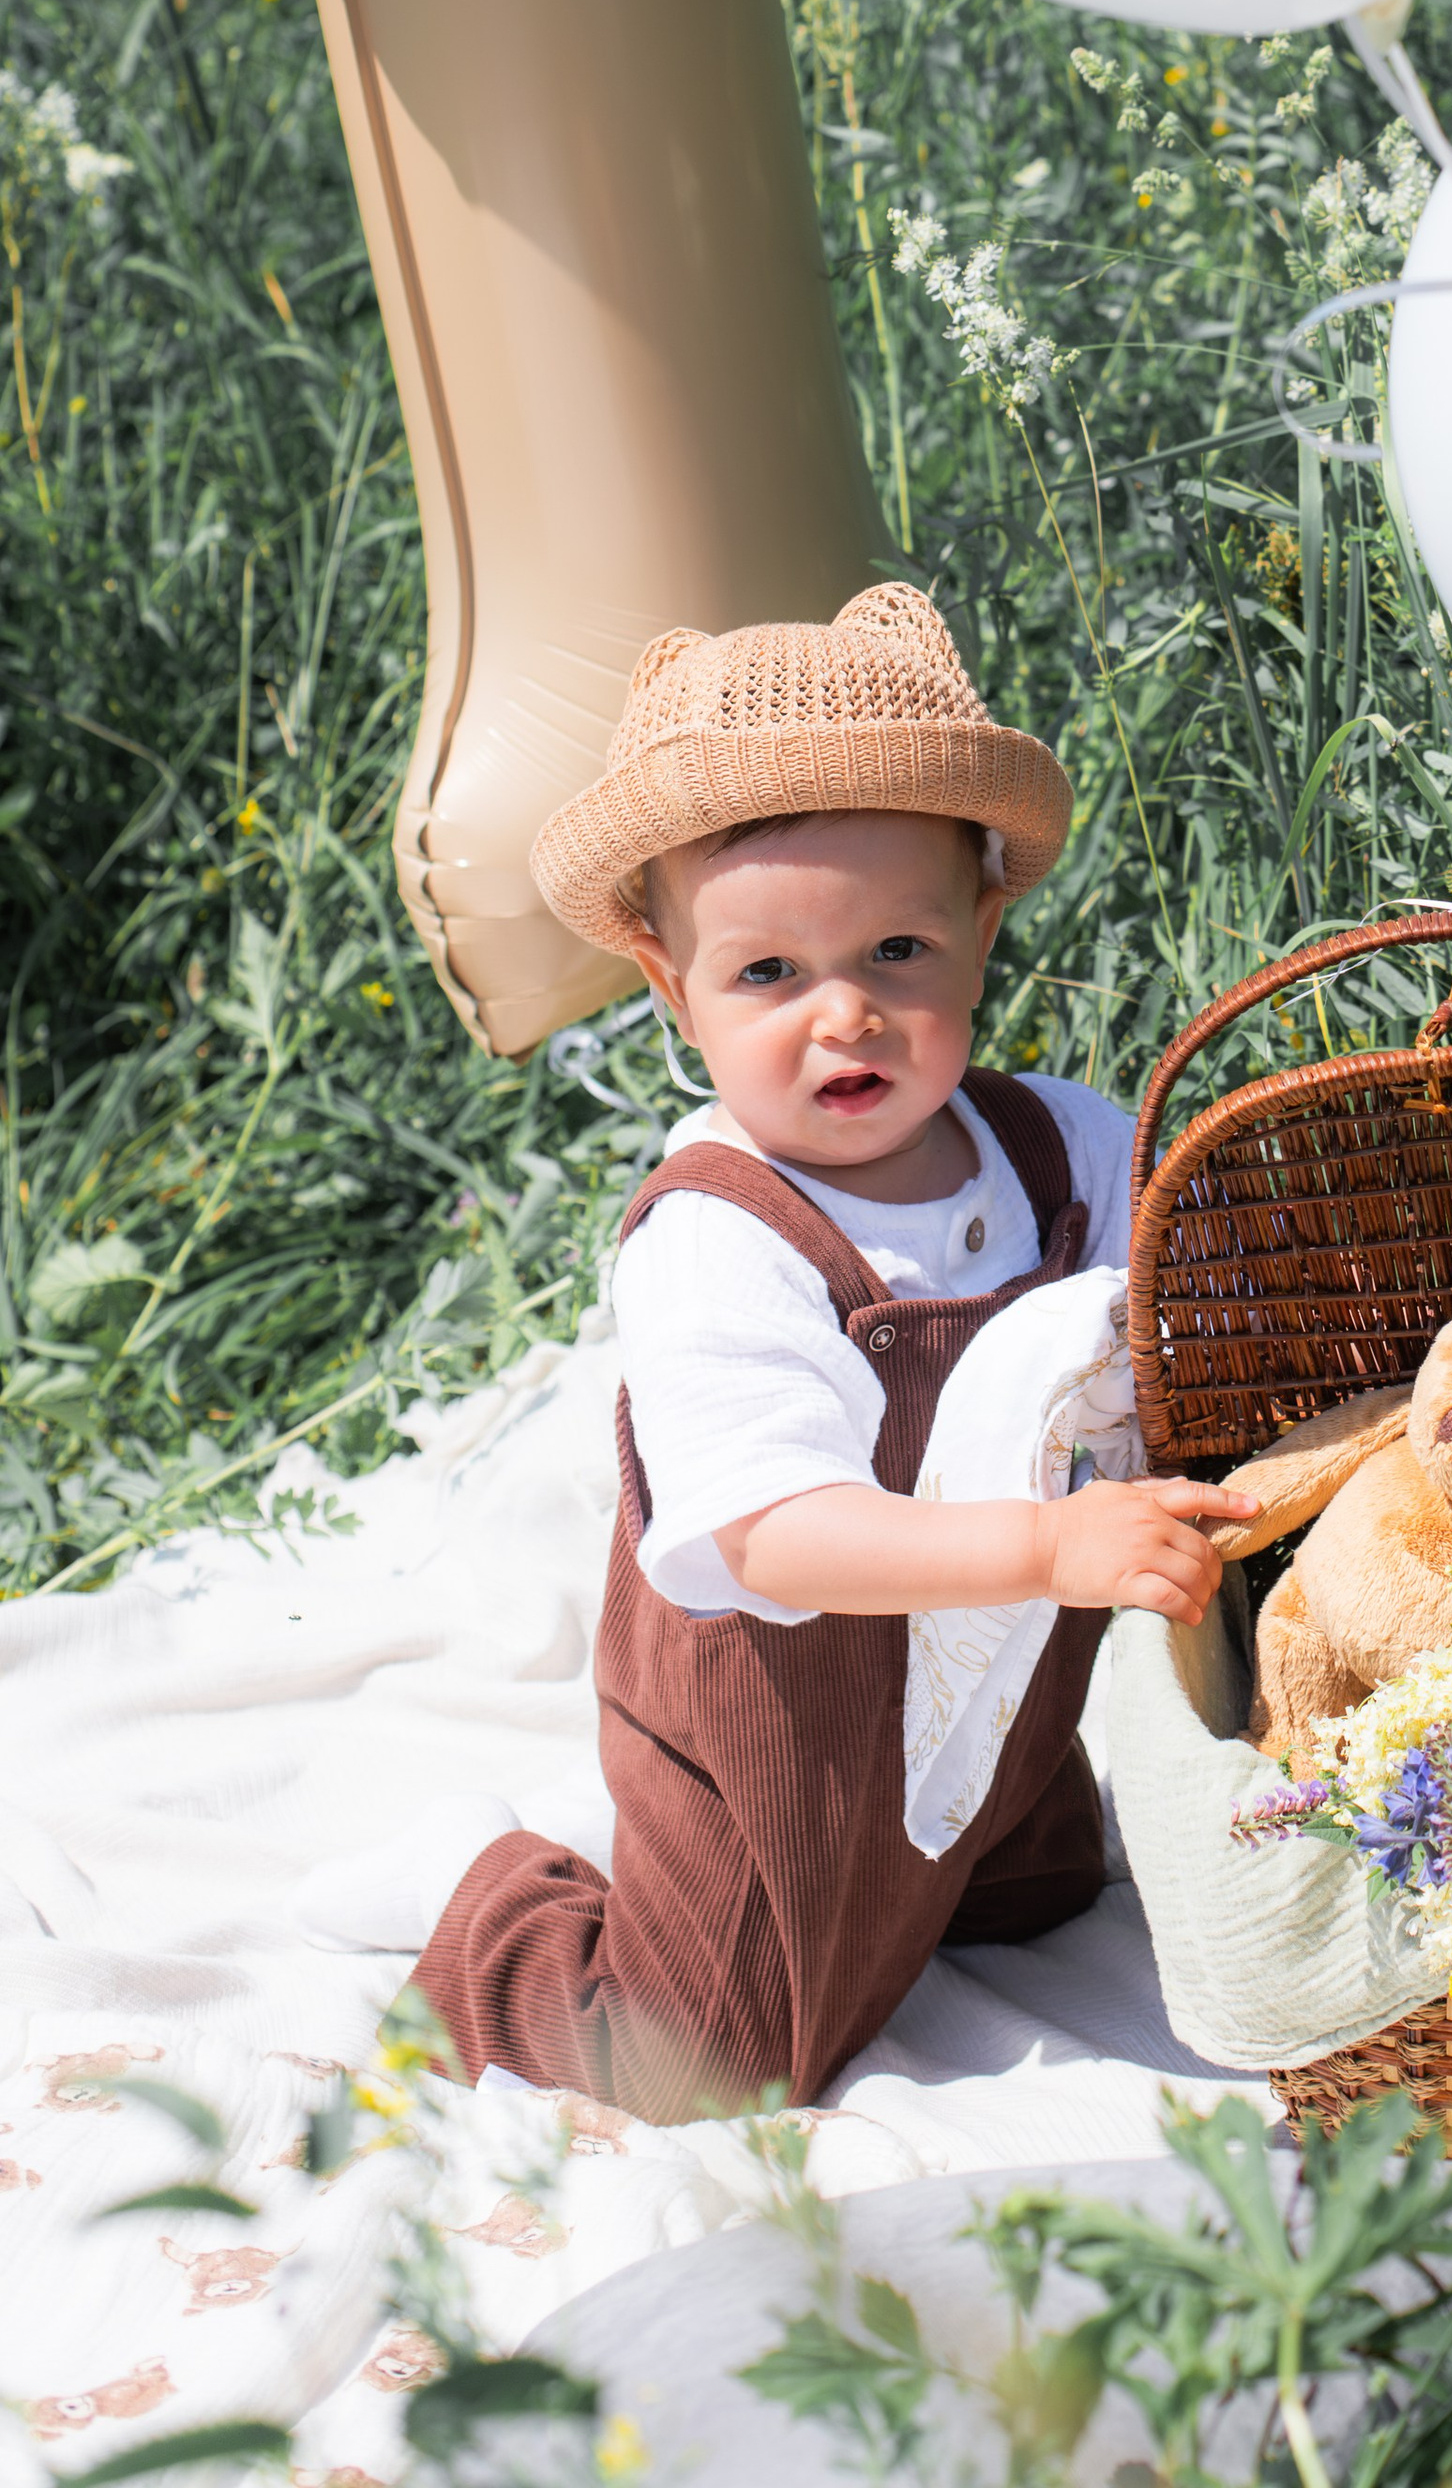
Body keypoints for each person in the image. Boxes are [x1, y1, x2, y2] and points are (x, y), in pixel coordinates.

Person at [398, 583, 1252, 2118]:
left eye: (899, 948)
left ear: (985, 936)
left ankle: (983, 1850)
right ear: (675, 990)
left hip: (1009, 1668)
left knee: (1030, 1879)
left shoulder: (1065, 1147)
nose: (844, 1014)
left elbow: (1181, 1320)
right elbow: (779, 1536)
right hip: (785, 1700)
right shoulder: (720, 1232)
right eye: (768, 975)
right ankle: (494, 1916)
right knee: (713, 2048)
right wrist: (1053, 1538)